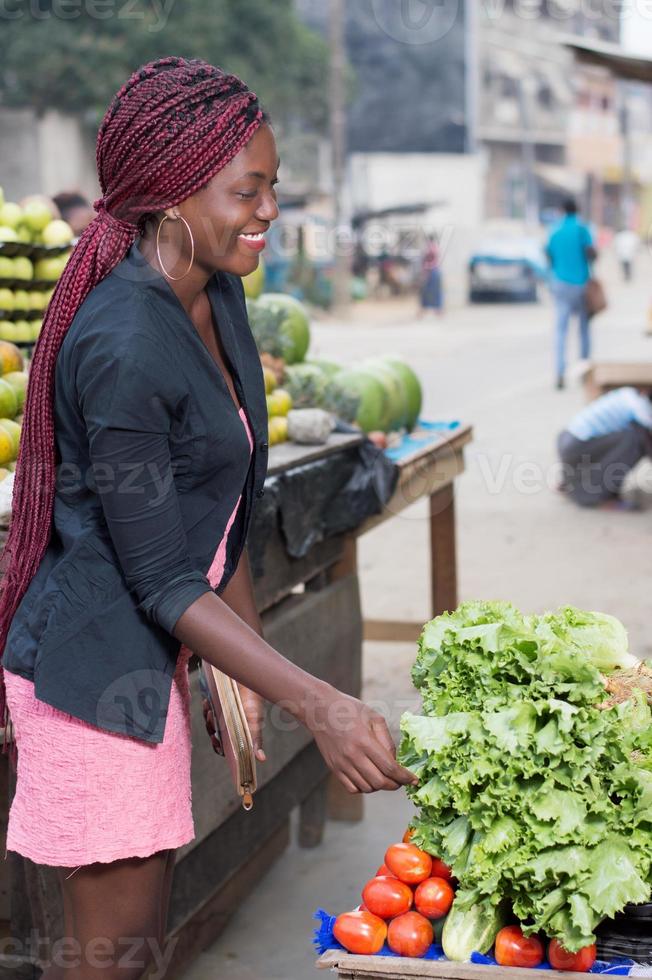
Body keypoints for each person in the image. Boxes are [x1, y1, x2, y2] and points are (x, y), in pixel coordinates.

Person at [0, 58, 415, 980]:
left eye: (274, 187)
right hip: (92, 678)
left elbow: (222, 506)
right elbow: (156, 576)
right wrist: (325, 702)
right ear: (173, 194)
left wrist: (246, 667)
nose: (269, 211)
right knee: (113, 960)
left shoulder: (217, 296)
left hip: (148, 658)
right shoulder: (122, 344)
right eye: (248, 190)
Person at [557, 386, 652, 507]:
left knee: (627, 436)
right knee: (635, 440)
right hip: (577, 447)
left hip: (566, 439)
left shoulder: (627, 393)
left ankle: (571, 482)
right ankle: (598, 496)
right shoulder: (642, 409)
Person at [546, 199, 596, 390]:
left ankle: (559, 372)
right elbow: (591, 253)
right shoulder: (582, 229)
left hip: (560, 283)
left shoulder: (555, 230)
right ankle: (584, 371)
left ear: (562, 210)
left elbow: (548, 255)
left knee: (561, 330)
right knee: (583, 330)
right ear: (578, 210)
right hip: (580, 284)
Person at [418, 233, 443, 316]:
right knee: (434, 292)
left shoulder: (429, 248)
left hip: (430, 271)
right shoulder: (435, 247)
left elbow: (426, 261)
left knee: (426, 292)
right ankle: (437, 310)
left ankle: (424, 310)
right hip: (435, 270)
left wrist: (424, 273)